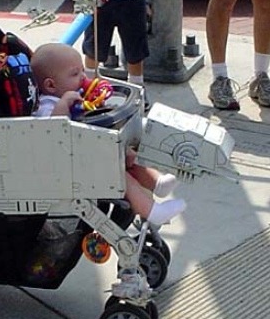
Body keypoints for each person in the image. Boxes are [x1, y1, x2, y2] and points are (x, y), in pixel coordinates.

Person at [30, 43, 186, 228]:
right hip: (69, 165)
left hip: (86, 151)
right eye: (74, 74)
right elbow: (50, 133)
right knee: (119, 175)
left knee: (128, 155)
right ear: (50, 85)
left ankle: (157, 182)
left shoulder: (76, 92)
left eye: (82, 71)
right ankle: (151, 211)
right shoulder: (47, 105)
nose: (82, 78)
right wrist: (64, 105)